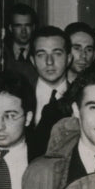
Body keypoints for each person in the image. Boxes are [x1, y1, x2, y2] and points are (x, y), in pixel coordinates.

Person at [28, 26, 73, 157]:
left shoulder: (79, 98)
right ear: (32, 60)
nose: (49, 62)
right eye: (41, 55)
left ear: (69, 58)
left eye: (57, 53)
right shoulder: (22, 96)